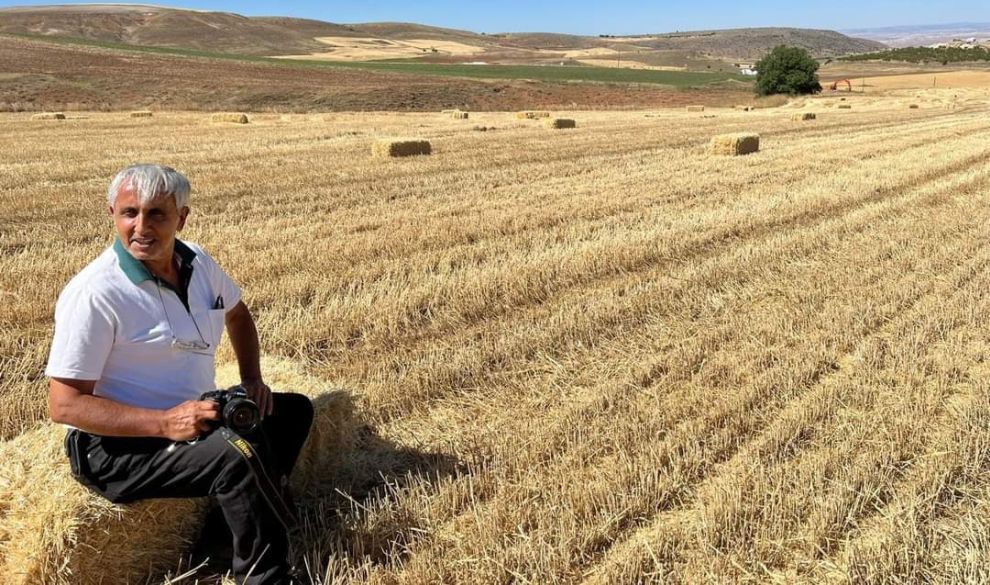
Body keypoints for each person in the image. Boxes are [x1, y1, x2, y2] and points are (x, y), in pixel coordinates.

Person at [46, 164, 313, 585]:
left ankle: (224, 539)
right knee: (238, 455)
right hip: (117, 448)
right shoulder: (95, 293)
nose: (141, 227)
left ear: (182, 218)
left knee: (293, 413)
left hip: (192, 416)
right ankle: (264, 577)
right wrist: (164, 422)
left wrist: (252, 379)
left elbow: (238, 316)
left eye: (156, 214)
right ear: (112, 213)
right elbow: (64, 405)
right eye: (129, 212)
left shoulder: (198, 262)